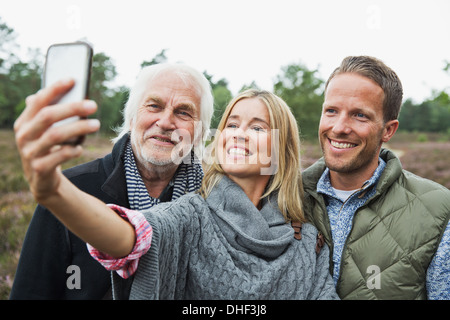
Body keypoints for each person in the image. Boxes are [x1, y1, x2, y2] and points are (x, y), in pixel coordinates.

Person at [14, 88, 339, 300]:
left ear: (282, 150)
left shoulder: (305, 240)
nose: (239, 135)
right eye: (231, 124)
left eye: (257, 128)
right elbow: (127, 236)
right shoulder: (191, 214)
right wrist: (54, 190)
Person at [10, 63, 214, 299]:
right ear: (131, 118)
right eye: (154, 106)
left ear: (200, 133)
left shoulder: (213, 199)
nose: (166, 122)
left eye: (183, 112)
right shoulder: (68, 189)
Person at [302, 55, 450, 300]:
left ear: (388, 130)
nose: (339, 127)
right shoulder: (284, 196)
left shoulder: (439, 211)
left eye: (359, 115)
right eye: (331, 111)